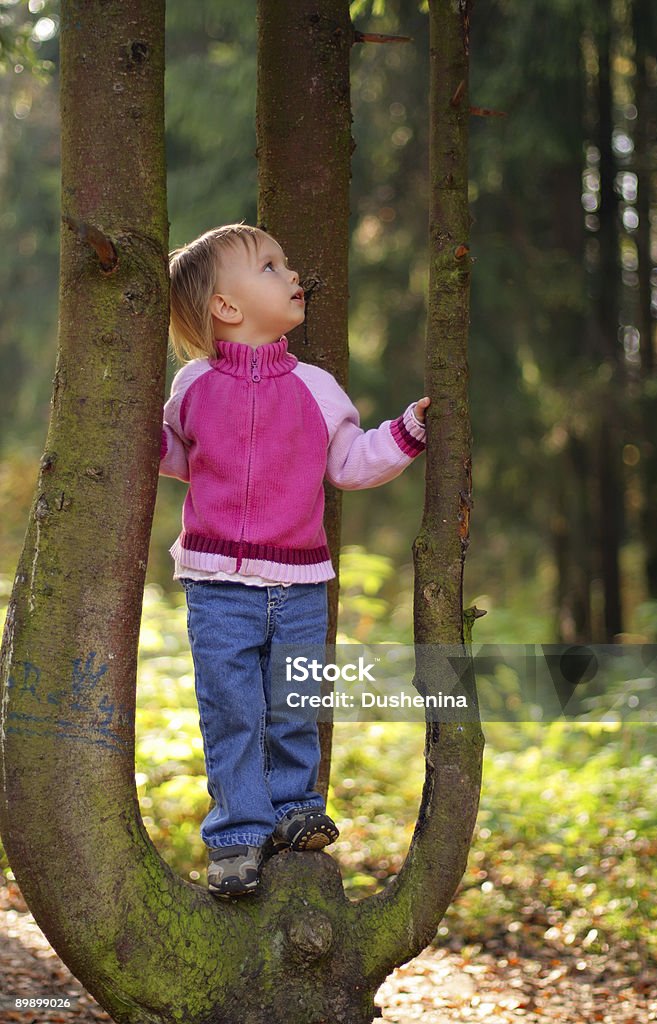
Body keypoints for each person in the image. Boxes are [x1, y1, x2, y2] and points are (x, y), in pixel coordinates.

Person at [159, 223, 430, 896]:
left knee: (293, 702)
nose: (291, 274)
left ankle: (294, 811)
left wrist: (405, 432)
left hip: (301, 582)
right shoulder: (192, 386)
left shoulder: (316, 386)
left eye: (287, 262)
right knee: (231, 710)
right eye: (270, 266)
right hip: (216, 582)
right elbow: (172, 456)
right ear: (226, 306)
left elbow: (348, 463)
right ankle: (236, 839)